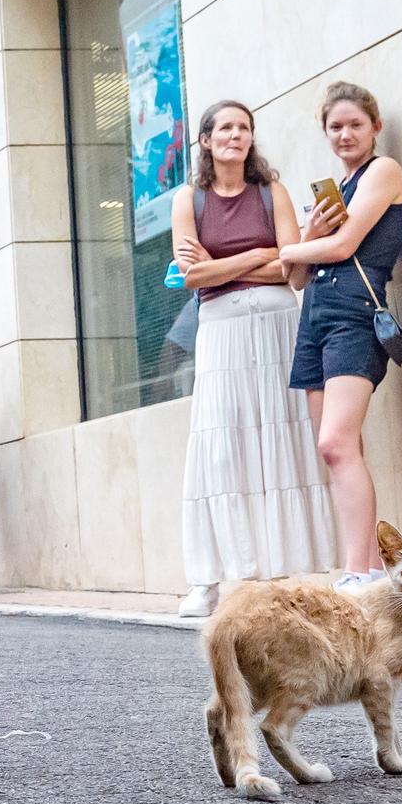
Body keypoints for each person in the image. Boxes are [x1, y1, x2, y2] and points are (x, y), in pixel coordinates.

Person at [171, 100, 337, 618]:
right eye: (225, 127)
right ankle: (208, 580)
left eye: (244, 128)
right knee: (221, 447)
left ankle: (282, 573)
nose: (235, 135)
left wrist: (223, 263)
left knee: (280, 439)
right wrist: (255, 257)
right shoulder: (188, 198)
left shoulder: (272, 193)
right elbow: (192, 277)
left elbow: (294, 266)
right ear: (206, 140)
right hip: (219, 332)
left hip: (278, 325)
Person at [279, 82, 402, 593]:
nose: (346, 134)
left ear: (375, 127)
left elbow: (347, 246)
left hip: (354, 314)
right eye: (336, 126)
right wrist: (306, 240)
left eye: (356, 123)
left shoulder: (384, 170)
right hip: (315, 316)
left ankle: (367, 571)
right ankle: (360, 565)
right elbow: (295, 279)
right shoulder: (338, 189)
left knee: (336, 443)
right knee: (336, 448)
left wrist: (296, 248)